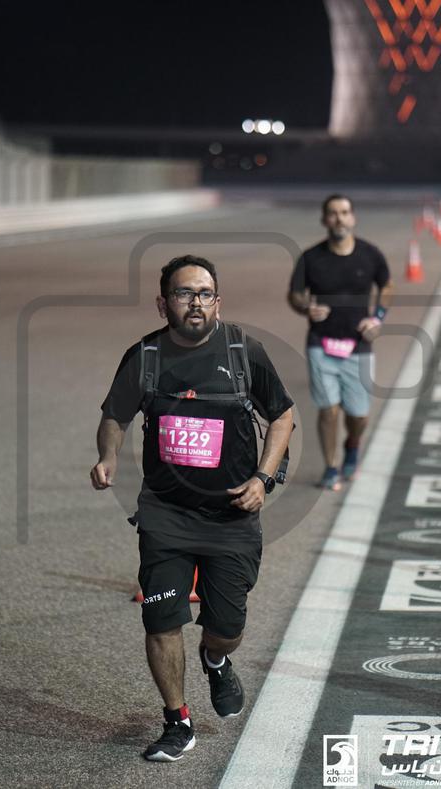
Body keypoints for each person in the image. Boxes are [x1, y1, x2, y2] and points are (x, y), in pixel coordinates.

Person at [90, 255, 294, 763]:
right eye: (184, 293)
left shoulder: (244, 352)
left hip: (231, 518)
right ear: (164, 303)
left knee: (227, 629)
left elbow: (283, 415)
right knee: (160, 619)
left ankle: (216, 659)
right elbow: (115, 415)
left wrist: (262, 479)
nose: (195, 302)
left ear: (217, 301)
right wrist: (108, 456)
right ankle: (177, 721)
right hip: (166, 514)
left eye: (204, 293)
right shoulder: (145, 356)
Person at [288, 194, 393, 490]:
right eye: (333, 213)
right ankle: (331, 468)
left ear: (353, 217)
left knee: (359, 416)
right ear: (324, 220)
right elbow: (295, 294)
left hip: (358, 344)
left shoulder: (370, 254)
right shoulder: (311, 258)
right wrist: (306, 308)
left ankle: (353, 445)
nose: (339, 218)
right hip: (320, 343)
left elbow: (387, 286)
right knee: (329, 409)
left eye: (344, 212)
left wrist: (377, 318)